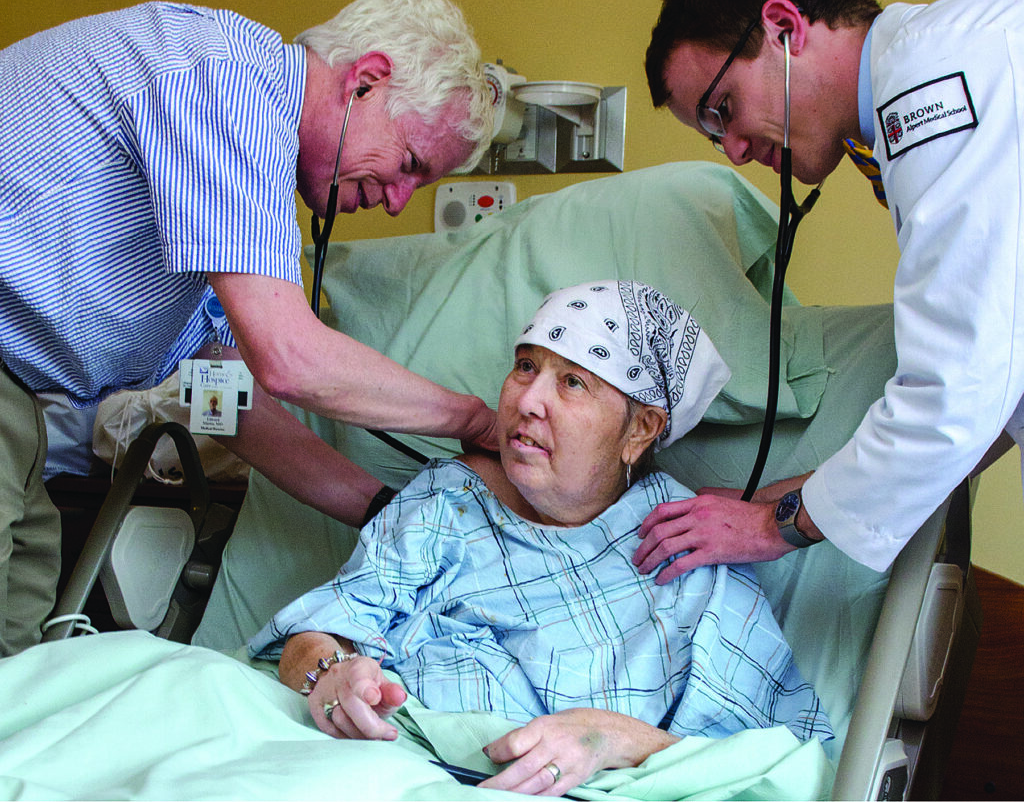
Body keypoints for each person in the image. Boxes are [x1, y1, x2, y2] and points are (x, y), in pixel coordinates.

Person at [0, 0, 495, 656]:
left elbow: (228, 400)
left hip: (20, 402)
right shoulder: (223, 82)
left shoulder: (238, 189)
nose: (397, 200)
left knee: (19, 652)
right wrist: (474, 420)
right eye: (409, 164)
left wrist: (385, 511)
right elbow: (288, 358)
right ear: (366, 81)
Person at [249, 281, 833, 797]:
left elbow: (768, 770)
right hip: (372, 768)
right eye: (526, 366)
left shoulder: (691, 546)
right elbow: (317, 631)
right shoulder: (446, 500)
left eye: (573, 382)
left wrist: (615, 739)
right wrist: (332, 672)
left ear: (641, 430)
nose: (527, 400)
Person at [636, 0, 1024, 579]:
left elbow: (961, 386)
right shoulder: (934, 79)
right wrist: (816, 494)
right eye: (715, 137)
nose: (734, 151)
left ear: (784, 28)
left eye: (723, 111)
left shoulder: (942, 84)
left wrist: (776, 526)